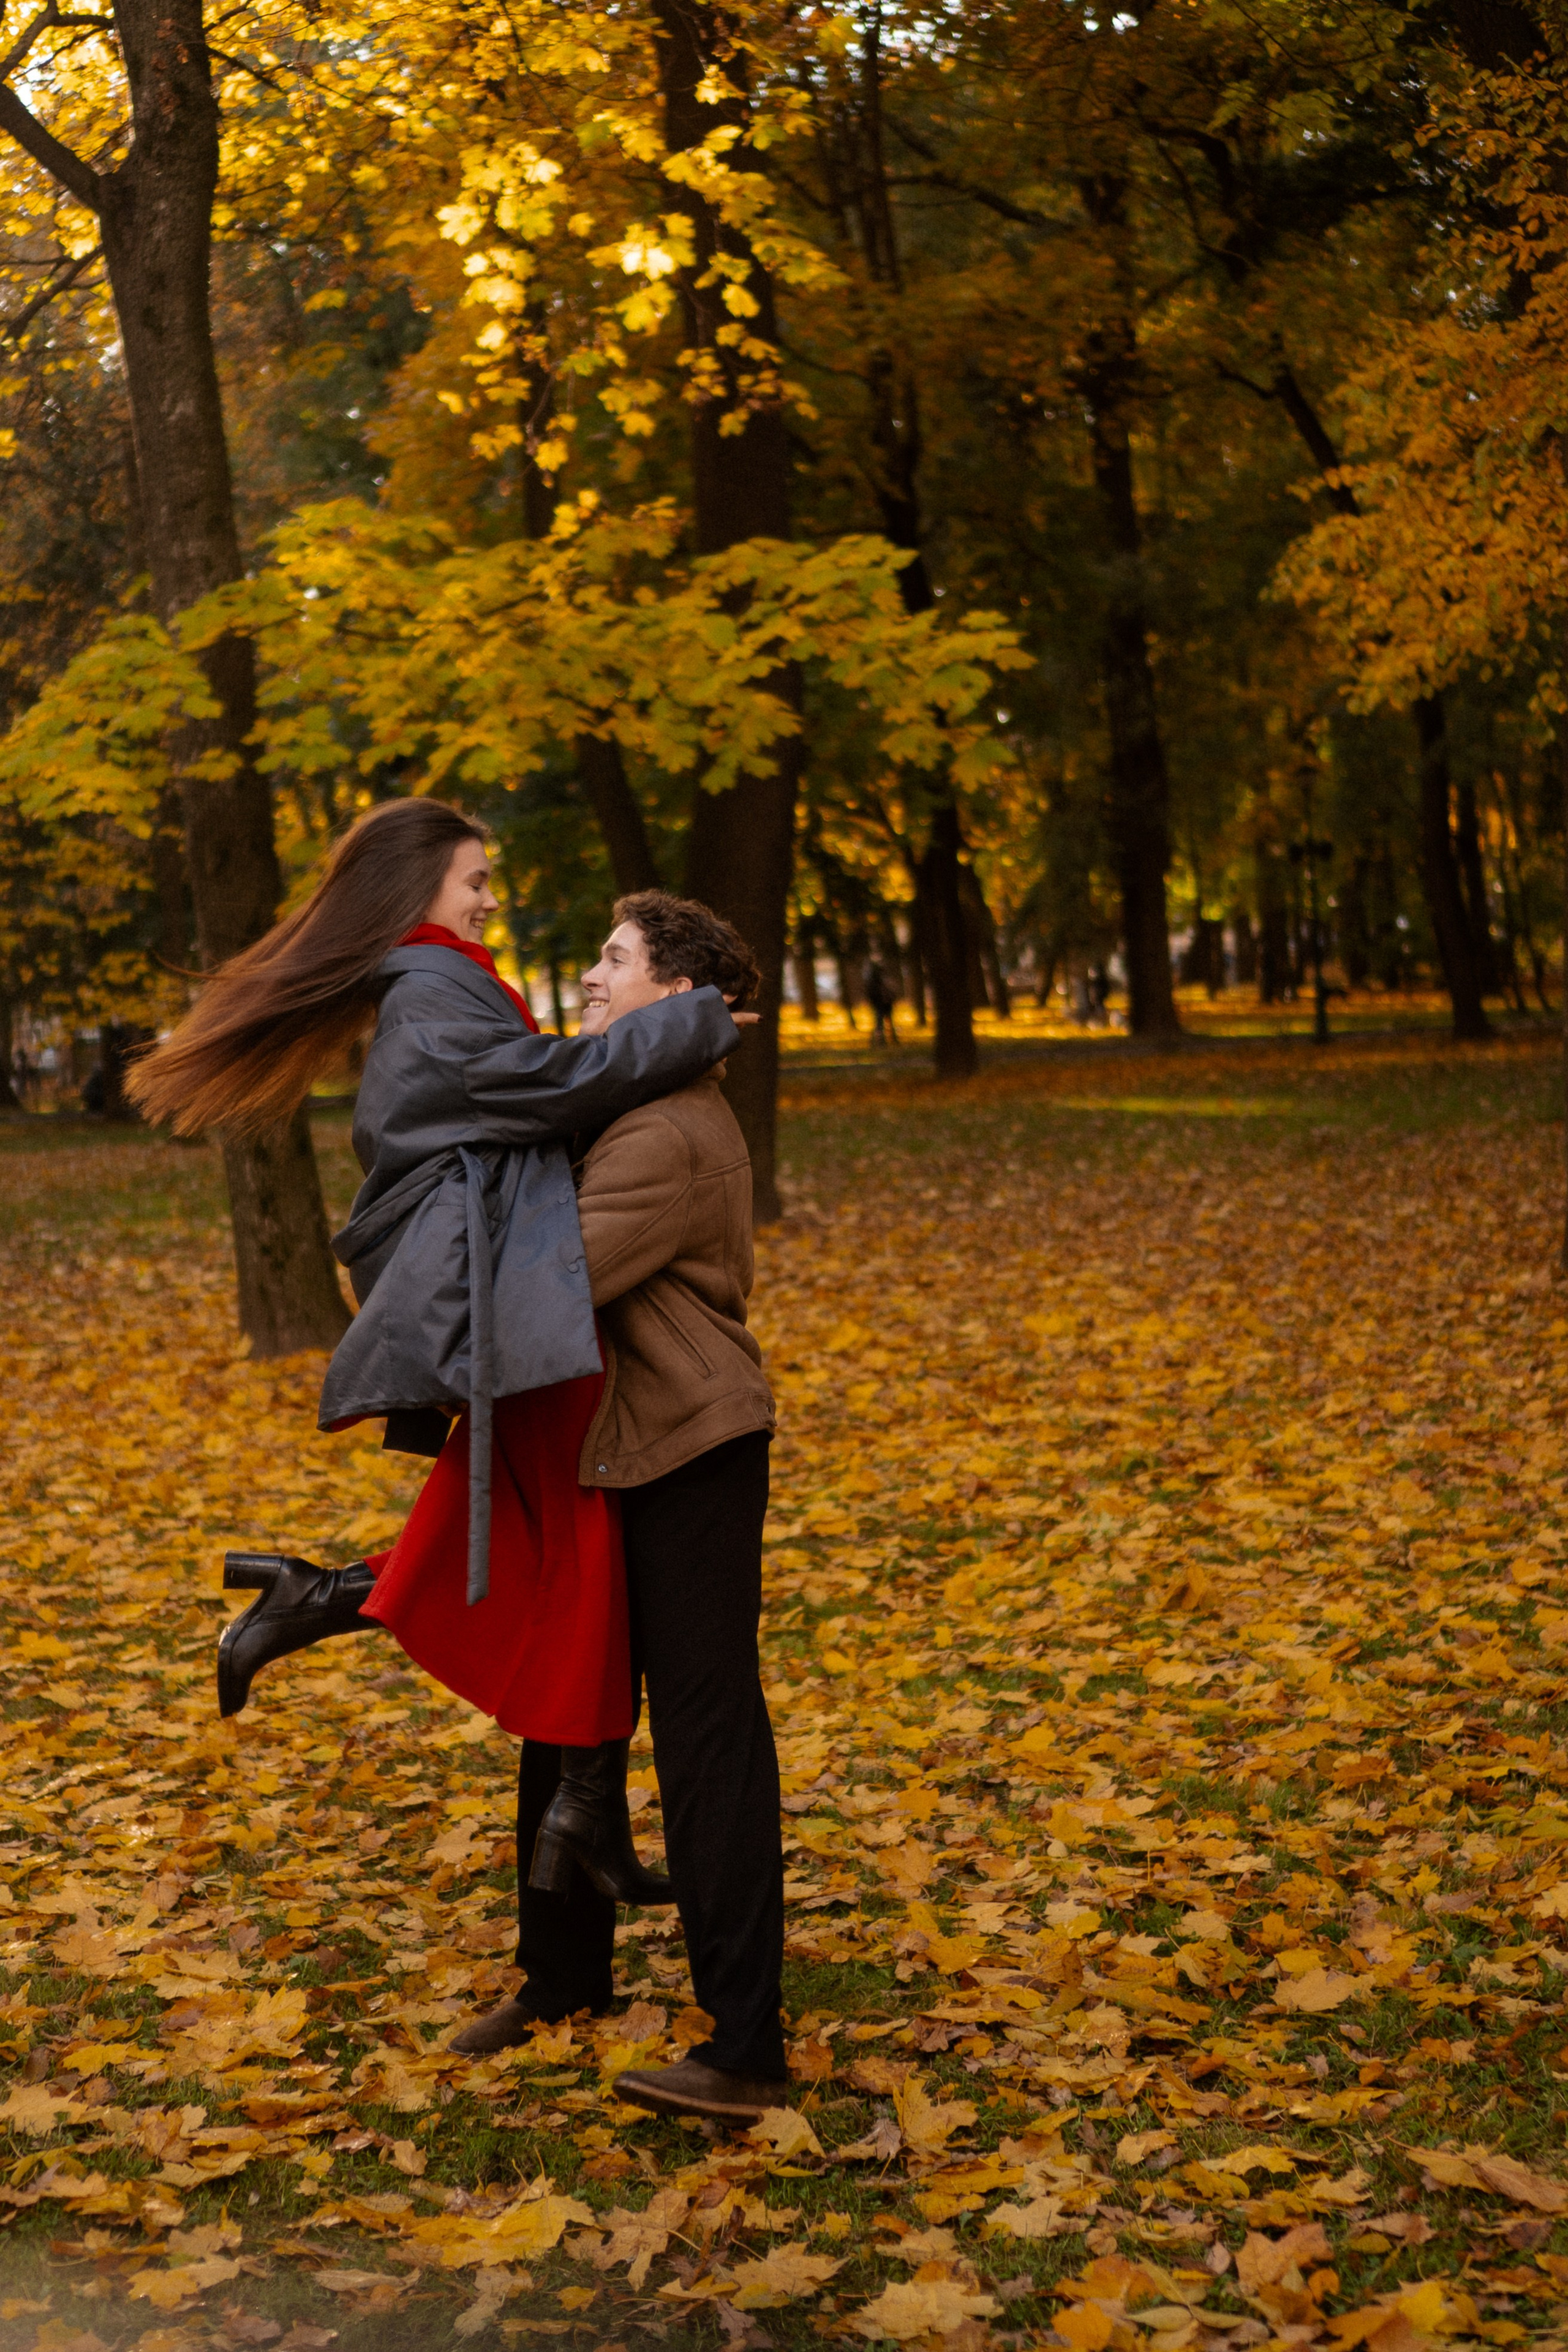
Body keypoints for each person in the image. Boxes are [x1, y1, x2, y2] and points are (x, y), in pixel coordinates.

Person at [127, 799, 740, 1883]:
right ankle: (578, 1814)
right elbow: (552, 1085)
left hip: (513, 1288)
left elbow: (538, 1093)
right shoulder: (430, 991)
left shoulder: (445, 981)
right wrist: (692, 1023)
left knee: (561, 1563)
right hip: (505, 1292)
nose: (490, 899)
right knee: (569, 1565)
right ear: (419, 891)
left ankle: (575, 1808)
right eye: (475, 881)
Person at [450, 891, 788, 2125]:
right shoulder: (629, 1107)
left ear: (674, 997)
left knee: (707, 1741)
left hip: (690, 1453)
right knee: (565, 1713)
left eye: (614, 959)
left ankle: (746, 2048)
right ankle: (561, 1980)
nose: (591, 976)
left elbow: (544, 1287)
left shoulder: (662, 1133)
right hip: (615, 1450)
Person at [862, 956, 898, 1047]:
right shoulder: (883, 981)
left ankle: (880, 1041)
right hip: (884, 1004)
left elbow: (869, 994)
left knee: (879, 1023)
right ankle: (886, 1040)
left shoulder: (872, 982)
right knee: (883, 1023)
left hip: (879, 1004)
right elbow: (892, 992)